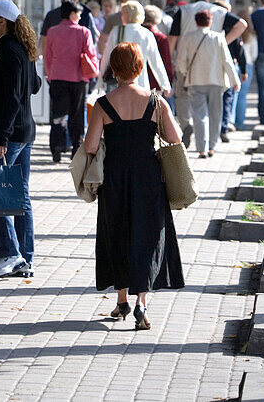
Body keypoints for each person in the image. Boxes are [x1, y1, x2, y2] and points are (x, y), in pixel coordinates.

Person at [84, 41, 184, 329]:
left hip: (115, 178)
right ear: (140, 68)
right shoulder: (155, 102)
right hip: (148, 177)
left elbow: (91, 147)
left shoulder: (103, 104)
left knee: (117, 234)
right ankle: (141, 304)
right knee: (147, 236)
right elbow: (175, 138)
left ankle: (121, 300)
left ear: (114, 70)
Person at [0, 0, 42, 279]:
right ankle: (24, 257)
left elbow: (15, 98)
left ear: (2, 22)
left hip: (12, 134)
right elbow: (36, 86)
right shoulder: (23, 50)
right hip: (25, 131)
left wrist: (1, 138)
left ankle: (10, 254)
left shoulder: (10, 52)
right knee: (20, 195)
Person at [170, 0, 246, 148]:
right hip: (212, 65)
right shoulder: (219, 11)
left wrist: (170, 61)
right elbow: (242, 25)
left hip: (186, 63)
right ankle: (208, 143)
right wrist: (223, 43)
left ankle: (185, 124)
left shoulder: (183, 11)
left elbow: (172, 39)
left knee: (183, 98)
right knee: (212, 108)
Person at [175, 9, 240, 158]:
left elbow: (180, 60)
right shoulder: (218, 38)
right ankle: (212, 146)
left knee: (199, 115)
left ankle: (201, 148)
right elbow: (227, 61)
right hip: (216, 81)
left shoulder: (188, 37)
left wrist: (186, 72)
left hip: (195, 81)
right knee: (215, 114)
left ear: (196, 22)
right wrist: (234, 81)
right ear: (210, 22)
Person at [44, 0, 97, 162]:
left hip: (58, 77)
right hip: (78, 78)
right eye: (79, 13)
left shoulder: (52, 32)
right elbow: (91, 54)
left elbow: (48, 56)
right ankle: (76, 146)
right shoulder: (84, 32)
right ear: (73, 14)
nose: (80, 16)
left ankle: (56, 147)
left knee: (58, 113)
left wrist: (49, 74)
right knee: (77, 113)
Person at [99, 0, 170, 94]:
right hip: (141, 82)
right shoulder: (146, 34)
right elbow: (156, 62)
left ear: (128, 14)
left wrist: (100, 82)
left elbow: (107, 57)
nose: (121, 16)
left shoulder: (117, 31)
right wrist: (165, 85)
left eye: (123, 13)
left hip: (119, 83)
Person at [214, 0, 248, 142]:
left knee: (215, 98)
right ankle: (223, 127)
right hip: (229, 67)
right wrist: (244, 69)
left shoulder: (214, 30)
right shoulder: (233, 30)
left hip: (214, 65)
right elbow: (240, 51)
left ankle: (215, 128)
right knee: (227, 98)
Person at [143, 4, 175, 109]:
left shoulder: (138, 34)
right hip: (156, 81)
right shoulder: (160, 38)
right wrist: (168, 82)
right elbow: (166, 61)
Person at [234, 10, 258, 130]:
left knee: (233, 95)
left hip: (235, 64)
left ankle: (231, 122)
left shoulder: (234, 34)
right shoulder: (252, 36)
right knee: (242, 96)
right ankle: (240, 123)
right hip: (247, 65)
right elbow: (255, 54)